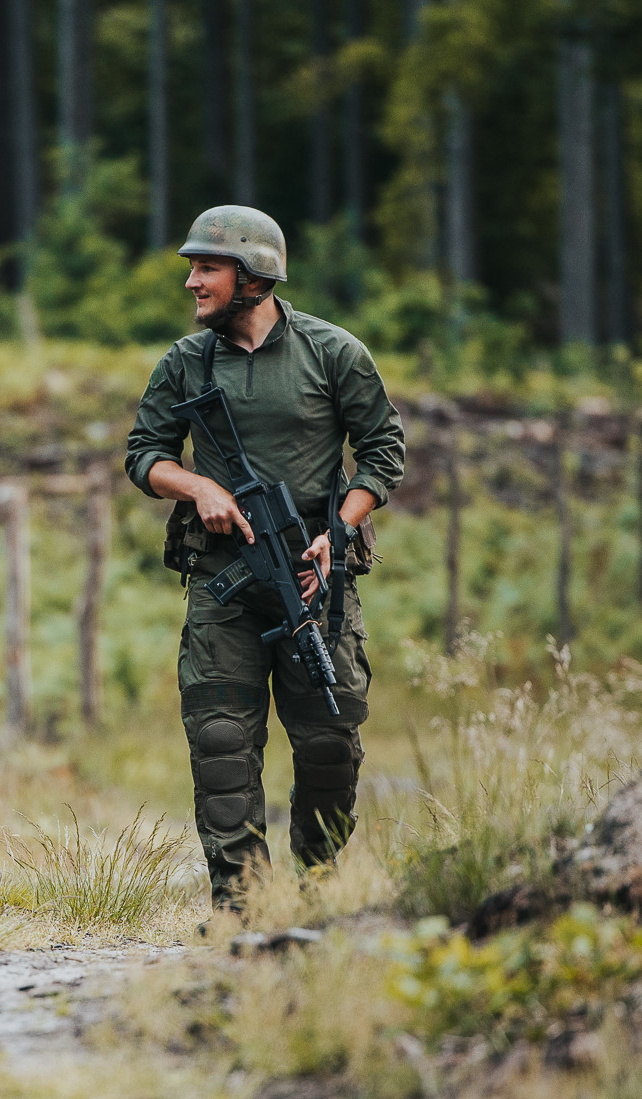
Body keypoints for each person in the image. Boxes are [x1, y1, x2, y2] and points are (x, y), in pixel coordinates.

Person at [124, 206, 405, 907]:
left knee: (329, 744)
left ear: (254, 275)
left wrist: (335, 531)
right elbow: (143, 456)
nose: (192, 281)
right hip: (223, 580)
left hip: (316, 582)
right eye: (193, 267)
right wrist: (198, 488)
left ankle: (317, 892)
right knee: (221, 745)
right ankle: (242, 907)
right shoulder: (185, 363)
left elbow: (383, 452)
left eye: (206, 267)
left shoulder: (333, 352)